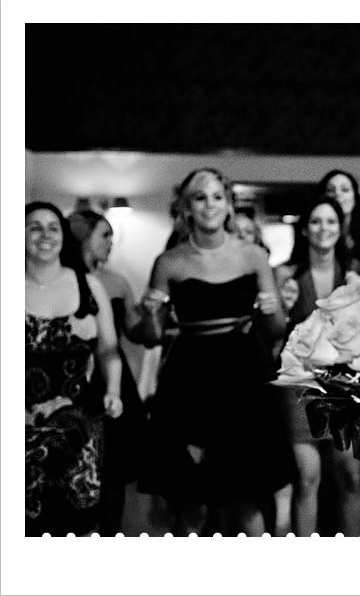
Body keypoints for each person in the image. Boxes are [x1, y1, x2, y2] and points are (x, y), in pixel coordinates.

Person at [136, 168, 297, 536]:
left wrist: (273, 310)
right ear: (186, 207)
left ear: (228, 205)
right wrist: (148, 313)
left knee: (248, 497)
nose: (209, 205)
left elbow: (274, 331)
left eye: (217, 197)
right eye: (199, 197)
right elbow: (152, 336)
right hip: (189, 375)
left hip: (243, 372)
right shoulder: (169, 262)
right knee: (192, 500)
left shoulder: (253, 256)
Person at [25, 202, 123, 536]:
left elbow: (109, 350)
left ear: (63, 236)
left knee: (77, 522)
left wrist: (113, 391)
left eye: (52, 227)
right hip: (21, 426)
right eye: (34, 227)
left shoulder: (88, 286)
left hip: (80, 427)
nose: (44, 235)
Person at [274, 195, 360, 537]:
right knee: (306, 478)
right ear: (305, 230)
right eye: (315, 221)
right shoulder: (285, 275)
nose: (323, 228)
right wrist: (282, 309)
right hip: (300, 386)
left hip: (346, 387)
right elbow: (273, 334)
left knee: (351, 477)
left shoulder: (354, 276)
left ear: (340, 230)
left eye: (330, 222)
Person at [68, 210, 145, 535]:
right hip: (74, 380)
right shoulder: (61, 280)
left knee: (113, 468)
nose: (111, 243)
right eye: (105, 235)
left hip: (112, 378)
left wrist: (152, 315)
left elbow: (136, 332)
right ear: (84, 237)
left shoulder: (115, 281)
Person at [318, 169, 360, 270]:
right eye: (330, 190)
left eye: (345, 189)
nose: (337, 194)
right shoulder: (316, 236)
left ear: (355, 196)